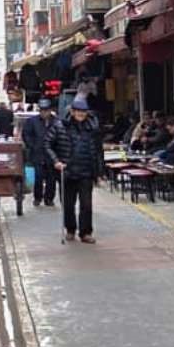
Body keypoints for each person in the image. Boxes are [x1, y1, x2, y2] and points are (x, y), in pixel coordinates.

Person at [50, 94, 104, 243]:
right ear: (72, 112)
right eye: (78, 111)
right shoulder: (60, 126)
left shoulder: (93, 128)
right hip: (67, 172)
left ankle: (85, 232)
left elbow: (98, 152)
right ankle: (70, 229)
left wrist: (99, 173)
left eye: (83, 111)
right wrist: (56, 161)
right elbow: (48, 144)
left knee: (86, 204)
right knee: (68, 205)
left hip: (86, 172)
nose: (81, 114)